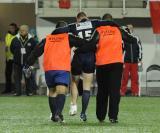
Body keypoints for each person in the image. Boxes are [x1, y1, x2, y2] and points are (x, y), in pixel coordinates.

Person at [77, 13, 137, 123]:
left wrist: (79, 50)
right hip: (116, 65)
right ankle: (113, 117)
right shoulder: (118, 30)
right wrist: (127, 31)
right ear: (112, 20)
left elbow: (90, 44)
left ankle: (100, 116)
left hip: (102, 65)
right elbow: (132, 40)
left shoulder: (99, 30)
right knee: (114, 91)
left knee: (102, 91)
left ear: (102, 21)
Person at [25, 21, 87, 123]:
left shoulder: (47, 39)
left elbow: (36, 52)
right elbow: (83, 43)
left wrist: (28, 64)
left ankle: (54, 115)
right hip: (62, 68)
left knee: (52, 92)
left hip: (49, 69)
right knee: (62, 91)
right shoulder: (68, 37)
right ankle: (58, 113)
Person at [68, 12, 98, 120]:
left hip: (78, 56)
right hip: (90, 56)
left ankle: (74, 104)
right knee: (86, 87)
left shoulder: (73, 26)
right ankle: (83, 113)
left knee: (74, 82)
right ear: (87, 17)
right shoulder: (93, 24)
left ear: (77, 19)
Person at [10, 25, 37, 96]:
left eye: (24, 30)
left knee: (28, 77)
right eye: (21, 30)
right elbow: (12, 49)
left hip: (27, 63)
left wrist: (31, 61)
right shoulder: (15, 39)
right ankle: (17, 92)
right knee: (17, 78)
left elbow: (35, 51)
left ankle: (29, 92)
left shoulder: (32, 40)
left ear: (27, 31)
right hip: (17, 62)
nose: (21, 31)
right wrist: (17, 56)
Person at [120, 24, 142, 96]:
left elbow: (140, 49)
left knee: (135, 77)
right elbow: (121, 50)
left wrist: (140, 59)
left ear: (133, 29)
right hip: (126, 61)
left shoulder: (136, 38)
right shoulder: (124, 38)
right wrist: (121, 60)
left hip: (135, 61)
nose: (129, 29)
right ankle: (122, 92)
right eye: (128, 28)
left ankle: (135, 92)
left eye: (131, 28)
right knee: (125, 77)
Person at [2, 23, 18, 94]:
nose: (10, 29)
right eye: (10, 28)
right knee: (7, 74)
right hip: (8, 58)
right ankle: (8, 89)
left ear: (15, 28)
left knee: (16, 74)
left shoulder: (18, 36)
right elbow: (7, 44)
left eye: (12, 28)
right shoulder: (7, 35)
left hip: (15, 58)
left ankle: (16, 89)